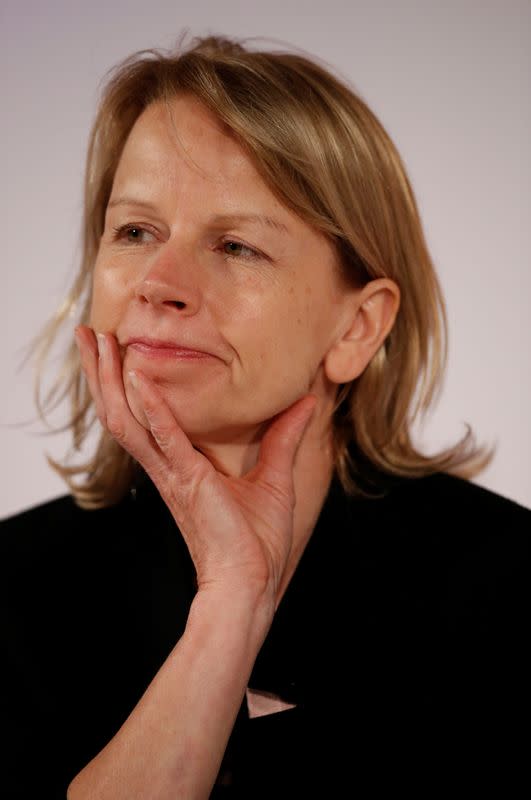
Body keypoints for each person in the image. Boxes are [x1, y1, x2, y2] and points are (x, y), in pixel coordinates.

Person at [2, 32, 529, 800]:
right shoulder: (15, 586)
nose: (157, 282)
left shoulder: (509, 584)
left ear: (357, 328)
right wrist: (230, 604)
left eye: (237, 245)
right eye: (135, 231)